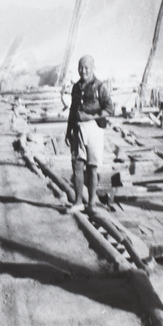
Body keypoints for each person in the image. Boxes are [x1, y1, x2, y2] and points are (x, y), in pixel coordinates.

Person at [65, 55, 114, 213]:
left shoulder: (100, 86)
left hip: (94, 129)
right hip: (78, 129)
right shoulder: (76, 87)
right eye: (80, 67)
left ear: (93, 68)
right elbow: (73, 109)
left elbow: (109, 110)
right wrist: (68, 130)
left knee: (92, 167)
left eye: (86, 67)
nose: (83, 70)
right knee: (77, 164)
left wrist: (91, 117)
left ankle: (91, 204)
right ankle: (78, 201)